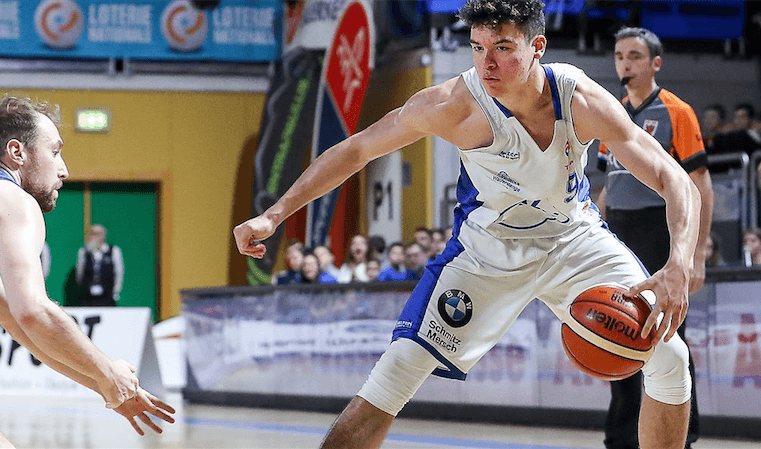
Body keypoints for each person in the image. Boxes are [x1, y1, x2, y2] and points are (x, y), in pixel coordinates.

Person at [233, 2, 700, 448]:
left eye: (503, 47)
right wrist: (275, 213)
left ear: (537, 47)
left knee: (669, 356)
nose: (486, 63)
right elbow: (357, 149)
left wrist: (679, 261)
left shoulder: (579, 100)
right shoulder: (454, 104)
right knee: (394, 374)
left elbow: (673, 177)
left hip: (573, 239)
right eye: (478, 47)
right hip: (486, 251)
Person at [0, 95, 175, 446]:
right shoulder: (12, 199)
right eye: (54, 152)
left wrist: (105, 384)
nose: (64, 170)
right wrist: (109, 373)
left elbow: (14, 319)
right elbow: (33, 312)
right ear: (17, 152)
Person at [596, 27, 711, 449]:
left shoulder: (676, 111)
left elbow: (699, 182)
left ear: (655, 63)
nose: (624, 63)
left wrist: (696, 254)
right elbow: (609, 185)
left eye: (634, 55)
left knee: (667, 338)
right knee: (617, 332)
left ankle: (681, 437)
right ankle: (622, 438)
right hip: (618, 233)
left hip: (658, 231)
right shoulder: (612, 113)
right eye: (619, 56)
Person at [75, 224, 124, 307]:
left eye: (98, 234)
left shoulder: (113, 251)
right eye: (92, 234)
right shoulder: (84, 252)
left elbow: (118, 273)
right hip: (88, 298)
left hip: (107, 297)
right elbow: (79, 274)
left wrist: (115, 291)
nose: (95, 237)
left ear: (103, 236)